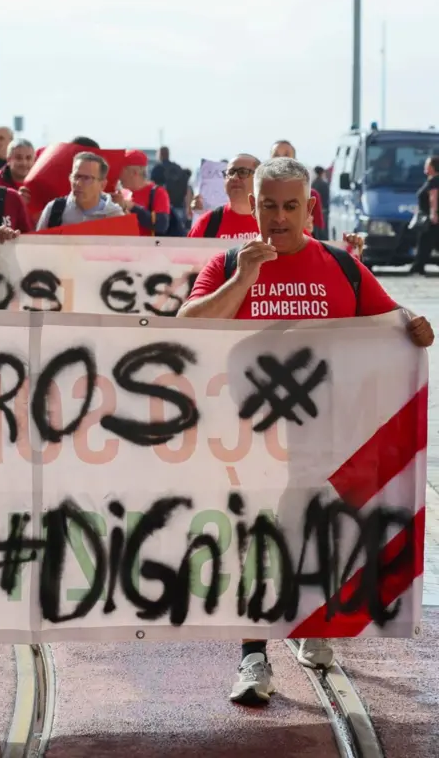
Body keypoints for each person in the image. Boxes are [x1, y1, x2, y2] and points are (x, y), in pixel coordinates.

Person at [177, 157, 434, 706]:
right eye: (268, 204)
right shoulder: (230, 262)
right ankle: (252, 654)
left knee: (314, 535)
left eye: (290, 206)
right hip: (245, 440)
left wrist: (414, 323)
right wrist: (246, 278)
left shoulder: (341, 266)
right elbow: (187, 327)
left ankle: (311, 620)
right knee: (255, 542)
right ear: (257, 203)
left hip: (322, 440)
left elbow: (390, 324)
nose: (278, 217)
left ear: (309, 208)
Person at [35, 152, 126, 229]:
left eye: (86, 178)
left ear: (102, 185)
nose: (78, 183)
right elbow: (37, 247)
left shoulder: (115, 216)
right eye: (76, 177)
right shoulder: (54, 209)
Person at [187, 154, 262, 240]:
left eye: (242, 172)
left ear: (259, 178)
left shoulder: (273, 221)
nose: (234, 178)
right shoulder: (207, 223)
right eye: (230, 173)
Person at [269, 141, 326, 235]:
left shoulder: (311, 195)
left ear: (295, 162)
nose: (281, 160)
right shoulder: (258, 195)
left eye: (286, 155)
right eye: (276, 156)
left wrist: (309, 229)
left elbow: (321, 237)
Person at [115, 150, 172, 235]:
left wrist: (132, 207)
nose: (118, 175)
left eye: (121, 170)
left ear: (134, 172)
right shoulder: (120, 193)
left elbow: (161, 225)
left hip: (146, 247)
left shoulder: (158, 192)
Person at [409, 155, 439, 275]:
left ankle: (418, 266)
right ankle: (418, 265)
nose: (425, 166)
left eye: (427, 164)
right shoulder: (431, 180)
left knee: (425, 241)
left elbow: (433, 197)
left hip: (430, 218)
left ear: (433, 167)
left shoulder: (434, 181)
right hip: (427, 216)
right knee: (427, 242)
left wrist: (433, 213)